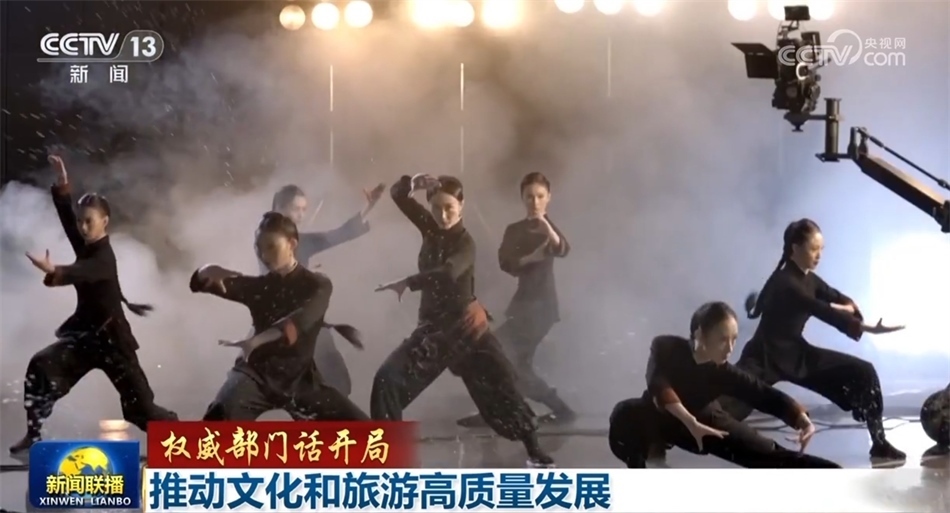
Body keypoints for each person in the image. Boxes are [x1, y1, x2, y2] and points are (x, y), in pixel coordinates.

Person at [371, 174, 554, 468]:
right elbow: (398, 195)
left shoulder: (466, 243)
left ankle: (534, 450)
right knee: (387, 381)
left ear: (461, 206)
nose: (443, 215)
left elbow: (447, 273)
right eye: (436, 208)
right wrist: (414, 182)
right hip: (432, 332)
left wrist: (409, 282)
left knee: (502, 387)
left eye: (450, 208)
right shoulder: (430, 226)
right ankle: (387, 458)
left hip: (466, 329)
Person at [11, 156, 178, 455]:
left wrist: (54, 270)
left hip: (114, 344)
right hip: (86, 339)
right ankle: (33, 436)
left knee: (141, 410)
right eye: (81, 221)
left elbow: (81, 271)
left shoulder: (103, 258)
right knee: (41, 366)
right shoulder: (86, 244)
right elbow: (68, 220)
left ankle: (179, 438)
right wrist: (63, 185)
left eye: (90, 221)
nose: (83, 227)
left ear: (105, 222)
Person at [717, 218, 906, 461]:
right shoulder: (785, 281)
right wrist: (867, 327)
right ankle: (677, 426)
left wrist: (849, 306)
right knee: (728, 403)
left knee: (864, 372)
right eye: (813, 249)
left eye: (821, 249)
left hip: (795, 353)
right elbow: (820, 309)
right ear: (795, 248)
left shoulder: (809, 279)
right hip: (764, 356)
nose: (819, 255)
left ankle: (879, 443)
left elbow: (834, 296)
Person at [608, 301, 841, 469]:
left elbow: (761, 392)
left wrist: (801, 419)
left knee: (768, 454)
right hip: (662, 419)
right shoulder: (666, 346)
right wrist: (689, 422)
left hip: (707, 423)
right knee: (623, 415)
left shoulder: (723, 372)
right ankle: (649, 464)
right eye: (722, 339)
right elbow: (658, 383)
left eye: (734, 340)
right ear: (700, 334)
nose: (730, 349)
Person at [193, 212, 368, 421]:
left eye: (271, 247)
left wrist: (256, 341)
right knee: (218, 416)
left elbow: (299, 321)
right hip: (255, 377)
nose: (264, 256)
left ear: (292, 244)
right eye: (258, 248)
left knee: (366, 432)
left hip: (300, 381)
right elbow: (198, 283)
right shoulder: (259, 287)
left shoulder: (318, 285)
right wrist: (211, 270)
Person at [457, 172, 576, 428]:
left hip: (541, 309)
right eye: (529, 197)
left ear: (549, 198)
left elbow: (562, 248)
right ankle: (550, 410)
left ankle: (502, 411)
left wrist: (546, 227)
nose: (535, 202)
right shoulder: (515, 230)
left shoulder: (549, 229)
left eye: (540, 196)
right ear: (522, 198)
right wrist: (532, 258)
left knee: (501, 356)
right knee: (513, 363)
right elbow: (506, 263)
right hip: (523, 306)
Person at [264, 183, 384, 397]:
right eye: (296, 209)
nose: (301, 216)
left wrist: (368, 207)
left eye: (304, 210)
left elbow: (336, 235)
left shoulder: (299, 241)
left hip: (309, 322)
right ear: (279, 209)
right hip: (286, 326)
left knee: (337, 384)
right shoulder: (266, 242)